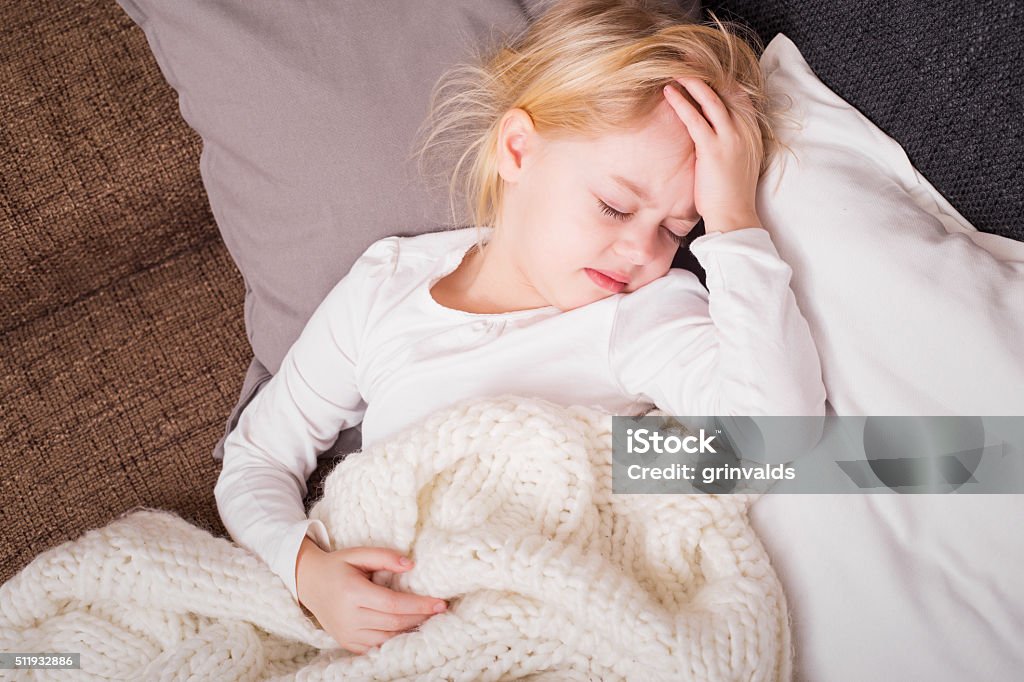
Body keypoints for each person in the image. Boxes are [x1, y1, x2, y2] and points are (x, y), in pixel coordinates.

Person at [215, 0, 825, 656]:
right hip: (408, 622)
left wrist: (734, 222)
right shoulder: (384, 289)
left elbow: (773, 443)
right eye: (614, 207)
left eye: (678, 229)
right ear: (517, 149)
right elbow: (258, 457)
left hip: (555, 616)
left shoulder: (641, 312)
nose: (641, 251)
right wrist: (308, 573)